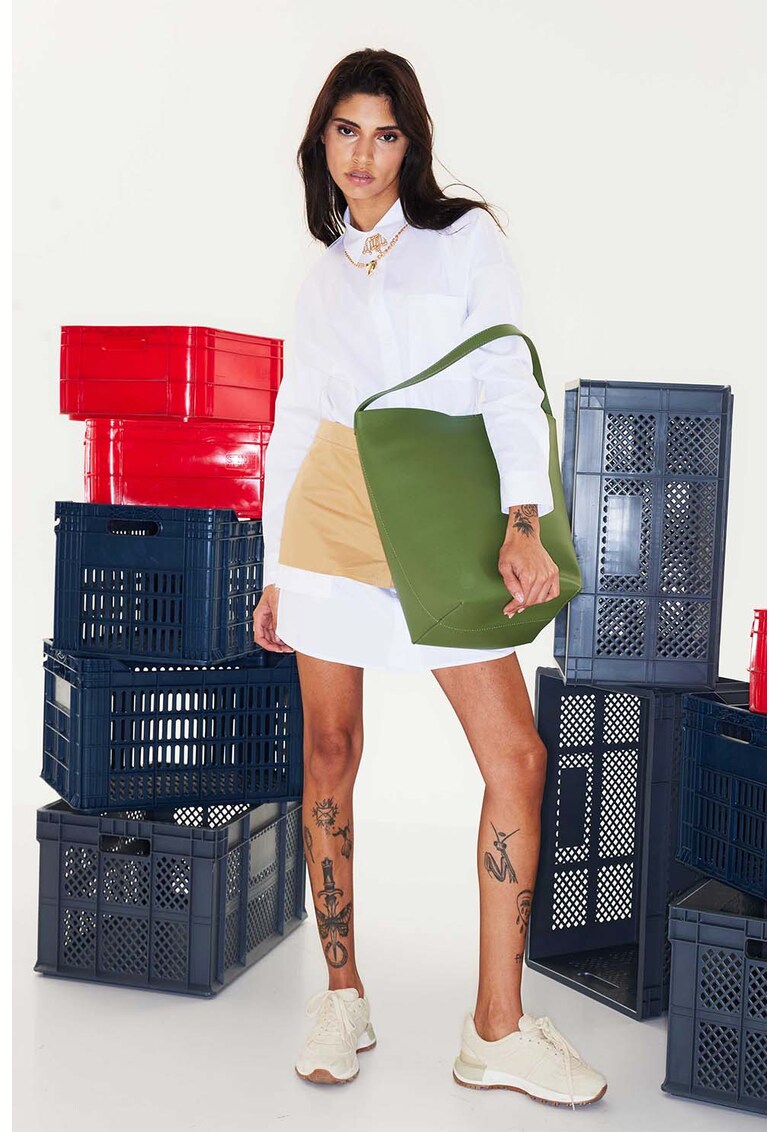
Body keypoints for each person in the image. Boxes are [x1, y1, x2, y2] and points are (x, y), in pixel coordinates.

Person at [253, 48, 607, 1109]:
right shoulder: (322, 277)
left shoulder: (463, 239)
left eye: (385, 132)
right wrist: (274, 568)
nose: (363, 154)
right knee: (329, 751)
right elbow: (293, 421)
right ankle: (342, 995)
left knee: (516, 757)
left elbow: (505, 374)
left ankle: (496, 1026)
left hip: (435, 519)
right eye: (346, 130)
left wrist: (521, 519)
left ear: (412, 144)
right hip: (329, 515)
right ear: (322, 140)